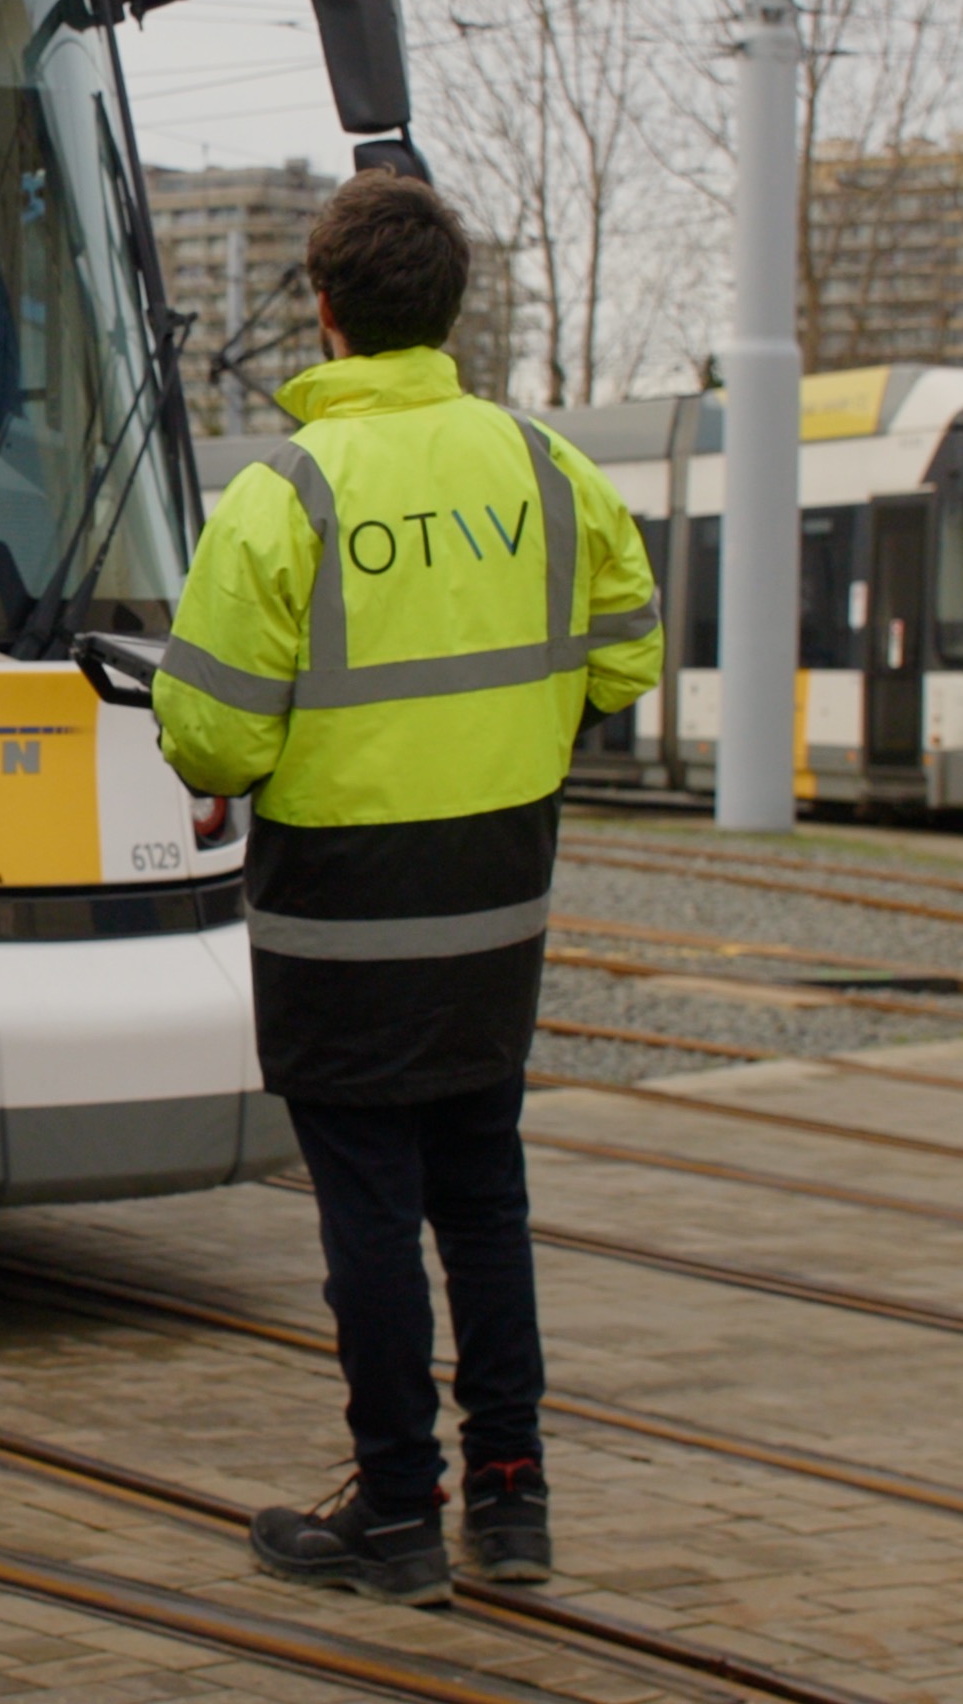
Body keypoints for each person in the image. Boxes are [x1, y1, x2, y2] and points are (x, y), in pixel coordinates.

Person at [150, 169, 661, 1606]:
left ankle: (396, 1511)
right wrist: (516, 734)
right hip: (498, 895)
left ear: (324, 311)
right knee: (483, 1194)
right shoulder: (546, 468)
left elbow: (214, 737)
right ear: (449, 310)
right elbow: (628, 652)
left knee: (369, 1208)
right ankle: (513, 1498)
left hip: (342, 910)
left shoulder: (288, 494)